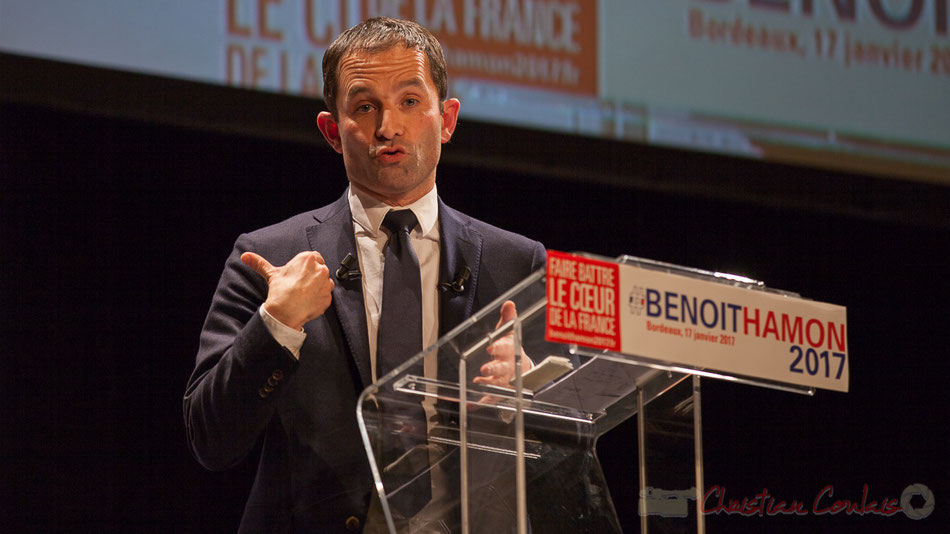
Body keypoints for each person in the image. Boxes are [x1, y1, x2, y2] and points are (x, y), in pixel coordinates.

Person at [183, 17, 545, 533]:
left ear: (447, 119)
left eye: (410, 102)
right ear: (333, 131)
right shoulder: (268, 257)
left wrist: (532, 399)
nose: (388, 127)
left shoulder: (519, 265)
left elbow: (569, 446)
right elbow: (210, 439)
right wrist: (276, 325)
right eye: (365, 106)